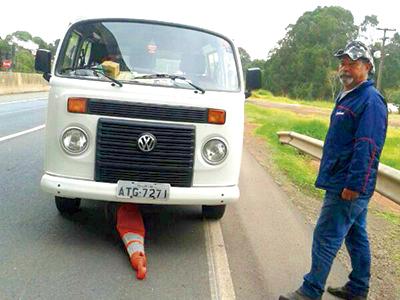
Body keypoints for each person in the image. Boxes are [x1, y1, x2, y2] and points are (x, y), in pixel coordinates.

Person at [280, 41, 388, 300]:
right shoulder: (349, 95)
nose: (345, 68)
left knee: (326, 235)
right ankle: (358, 287)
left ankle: (311, 290)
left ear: (367, 67)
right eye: (343, 63)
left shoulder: (370, 100)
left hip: (347, 186)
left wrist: (354, 185)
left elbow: (367, 146)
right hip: (343, 180)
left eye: (352, 63)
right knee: (355, 234)